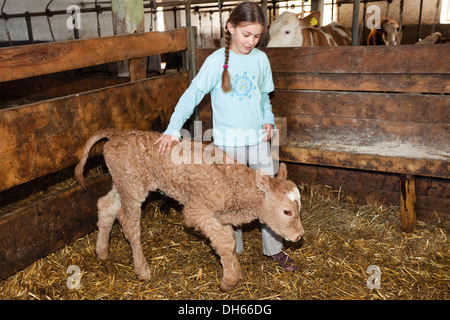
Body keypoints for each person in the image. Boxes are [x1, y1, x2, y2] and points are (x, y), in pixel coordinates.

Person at [154, 1, 298, 272]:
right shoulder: (215, 62)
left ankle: (274, 249)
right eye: (246, 35)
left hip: (257, 141)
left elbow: (265, 97)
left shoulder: (260, 59)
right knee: (233, 196)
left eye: (257, 36)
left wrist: (267, 118)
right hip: (227, 146)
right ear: (230, 28)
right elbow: (191, 96)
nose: (251, 41)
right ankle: (234, 246)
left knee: (271, 196)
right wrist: (173, 129)